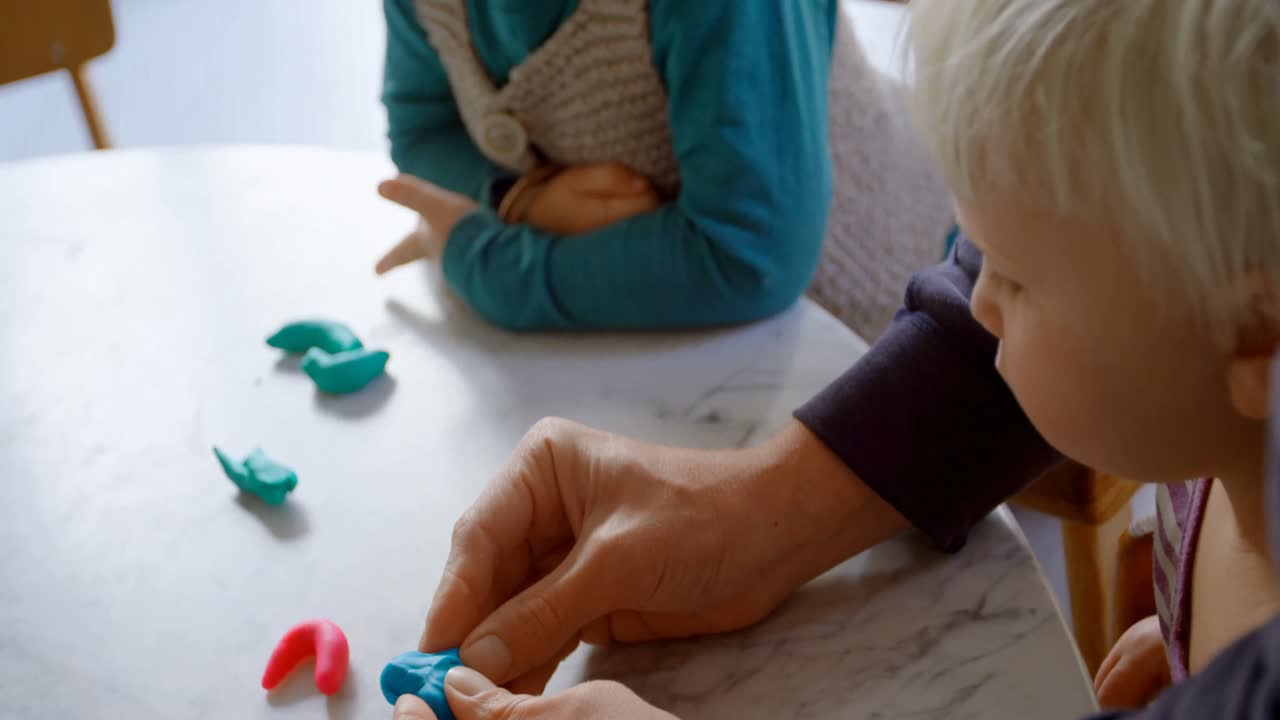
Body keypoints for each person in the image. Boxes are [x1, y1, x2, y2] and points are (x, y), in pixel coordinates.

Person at [389, 0, 1280, 718]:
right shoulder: (1227, 420)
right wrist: (762, 509)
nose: (975, 300)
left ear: (1255, 332)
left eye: (1012, 275)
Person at [373, 0, 951, 339]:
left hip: (892, 323)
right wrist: (520, 200)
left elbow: (748, 259)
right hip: (664, 341)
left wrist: (485, 264)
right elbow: (423, 128)